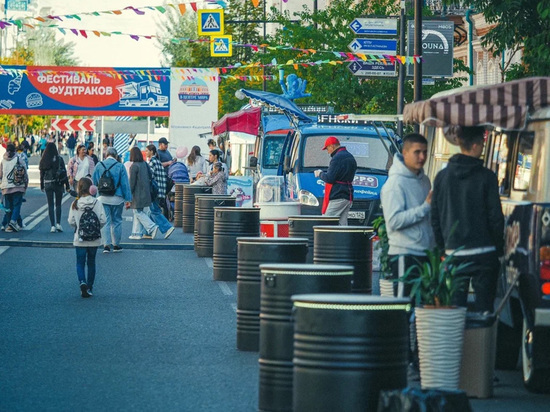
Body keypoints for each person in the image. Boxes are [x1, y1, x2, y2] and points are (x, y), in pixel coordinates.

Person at [431, 126, 504, 313]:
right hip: (484, 252)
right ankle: (482, 340)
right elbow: (495, 217)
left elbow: (435, 217)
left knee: (455, 308)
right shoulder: (487, 177)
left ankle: (458, 341)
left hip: (454, 251)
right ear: (475, 145)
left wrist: (443, 247)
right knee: (485, 308)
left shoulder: (442, 177)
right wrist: (498, 247)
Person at [380, 133, 434, 288]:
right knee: (405, 306)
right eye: (417, 152)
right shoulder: (394, 184)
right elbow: (394, 221)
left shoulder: (424, 180)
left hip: (425, 252)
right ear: (405, 153)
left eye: (425, 152)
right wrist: (425, 207)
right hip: (404, 253)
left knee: (421, 307)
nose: (422, 157)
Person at [68, 178, 107, 298]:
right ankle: (89, 287)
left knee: (80, 263)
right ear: (91, 188)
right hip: (94, 239)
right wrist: (95, 228)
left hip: (80, 239)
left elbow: (71, 221)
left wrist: (78, 226)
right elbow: (103, 220)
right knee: (91, 263)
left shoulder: (75, 203)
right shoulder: (97, 202)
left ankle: (82, 282)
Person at [92, 147, 132, 253]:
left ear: (106, 155)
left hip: (102, 198)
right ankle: (116, 245)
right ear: (116, 156)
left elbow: (94, 182)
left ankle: (106, 245)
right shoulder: (120, 166)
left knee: (105, 221)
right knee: (117, 221)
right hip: (117, 198)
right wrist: (128, 199)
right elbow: (125, 184)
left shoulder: (99, 165)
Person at [313, 136, 357, 225]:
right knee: (342, 225)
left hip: (338, 195)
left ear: (332, 146)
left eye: (327, 149)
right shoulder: (350, 156)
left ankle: (324, 239)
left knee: (326, 223)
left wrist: (320, 174)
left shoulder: (337, 158)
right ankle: (344, 239)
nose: (328, 152)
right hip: (348, 195)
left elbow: (329, 178)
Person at [128, 147, 159, 240]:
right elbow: (150, 176)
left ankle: (151, 227)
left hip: (137, 193)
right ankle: (136, 233)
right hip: (146, 191)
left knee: (137, 212)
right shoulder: (145, 164)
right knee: (138, 211)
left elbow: (132, 183)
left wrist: (129, 195)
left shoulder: (134, 166)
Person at [145, 144, 175, 239]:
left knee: (155, 211)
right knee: (150, 211)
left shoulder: (152, 162)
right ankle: (148, 232)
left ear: (152, 151)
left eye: (147, 151)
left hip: (155, 191)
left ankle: (167, 227)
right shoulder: (158, 161)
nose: (146, 153)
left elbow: (150, 177)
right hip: (161, 191)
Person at [39, 142, 70, 233]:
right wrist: (67, 186)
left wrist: (42, 185)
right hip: (58, 184)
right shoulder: (59, 159)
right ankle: (58, 224)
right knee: (58, 204)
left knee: (50, 205)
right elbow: (64, 173)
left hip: (48, 183)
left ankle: (52, 225)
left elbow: (42, 174)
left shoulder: (44, 160)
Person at [0, 143, 28, 232]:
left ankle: (9, 225)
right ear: (15, 151)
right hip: (18, 186)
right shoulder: (18, 159)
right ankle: (13, 221)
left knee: (8, 207)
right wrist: (25, 186)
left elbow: (0, 175)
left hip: (6, 187)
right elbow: (25, 173)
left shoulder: (3, 161)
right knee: (17, 205)